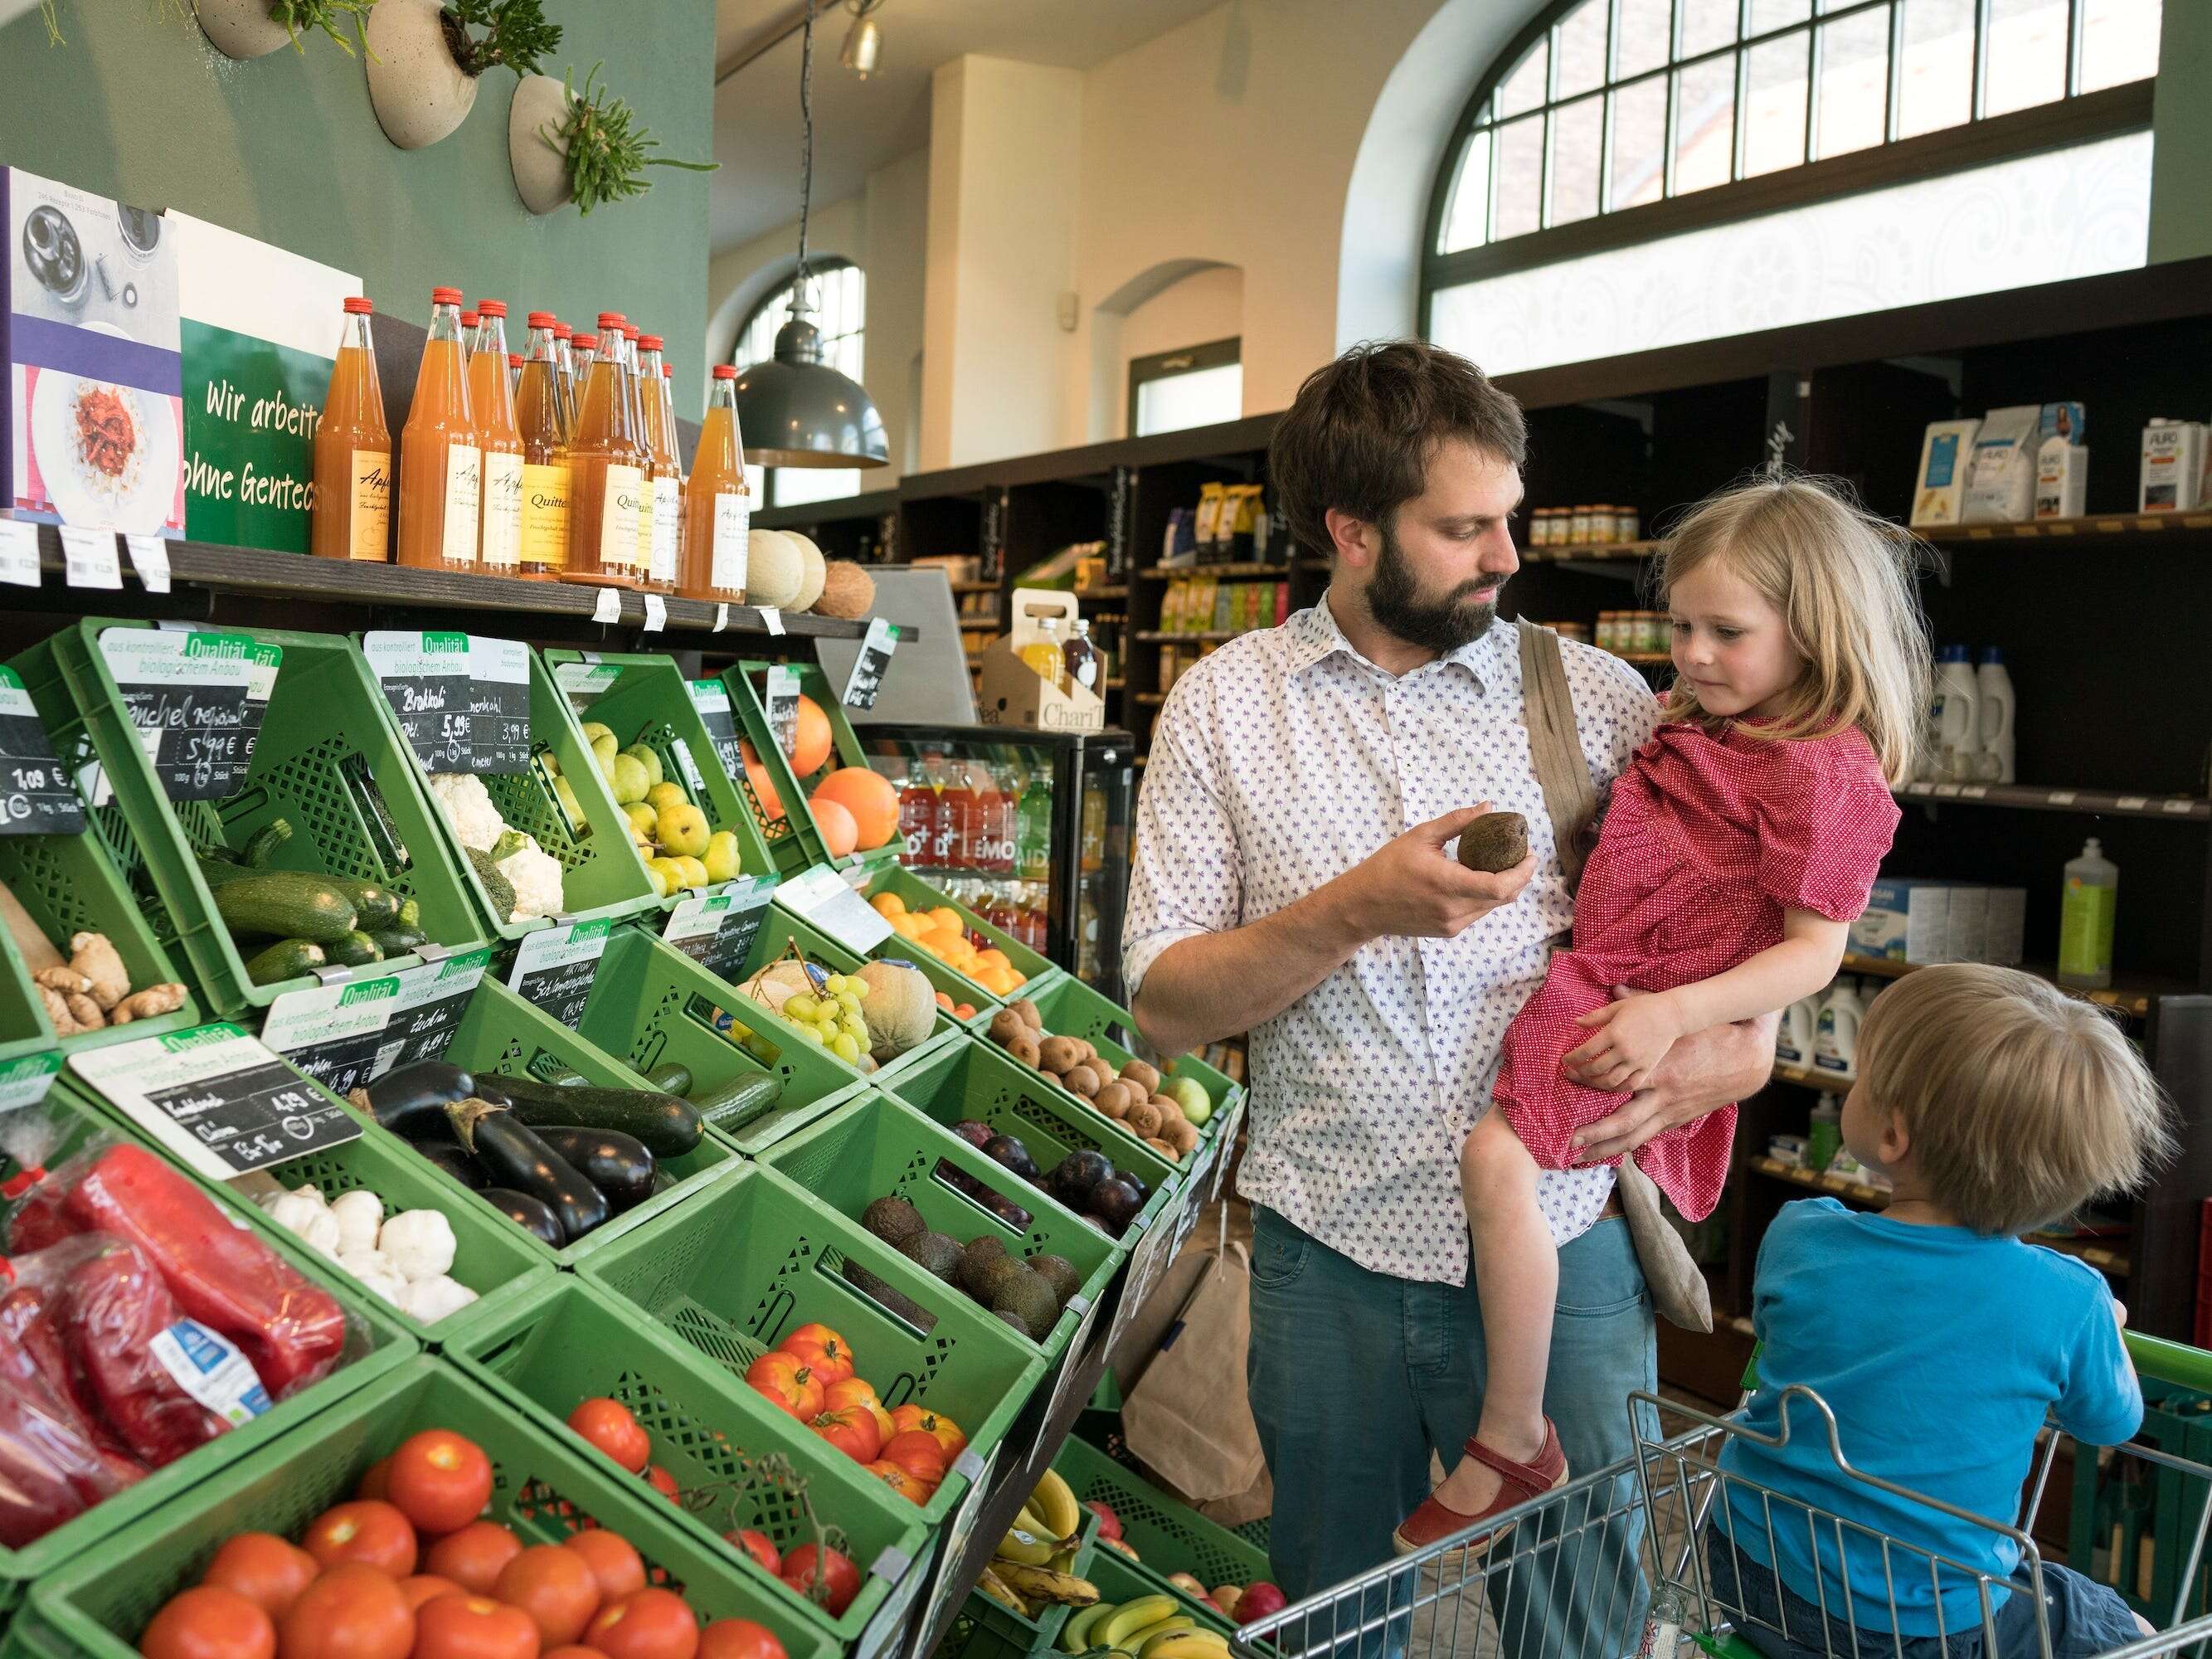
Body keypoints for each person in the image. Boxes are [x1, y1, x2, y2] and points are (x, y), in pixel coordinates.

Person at [1122, 339, 1777, 1649]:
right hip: (1321, 1257)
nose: (1503, 557)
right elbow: (1161, 1005)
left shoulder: (1593, 699)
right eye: (1462, 528)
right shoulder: (1222, 708)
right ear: (1348, 532)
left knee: (1584, 1619)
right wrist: (1350, 910)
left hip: (1566, 1237)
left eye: (1508, 520)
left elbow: (1730, 908)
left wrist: (1741, 1044)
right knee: (1329, 1616)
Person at [1398, 478, 1930, 1553]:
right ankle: (1511, 1430)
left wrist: (1665, 1017)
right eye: (1680, 625)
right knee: (1499, 1166)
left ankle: (1510, 1434)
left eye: (1724, 632)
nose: (1688, 654)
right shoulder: (1716, 724)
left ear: (1813, 631)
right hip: (1604, 984)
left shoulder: (1824, 772)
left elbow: (1812, 954)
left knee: (1494, 1163)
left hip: (1637, 1004)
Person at [1709, 963, 2172, 1659]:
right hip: (1921, 1625)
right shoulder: (2068, 1300)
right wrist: (2102, 1328)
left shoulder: (1799, 1235)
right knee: (2122, 1629)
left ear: (1891, 1135)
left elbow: (1795, 1339)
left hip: (1746, 1568)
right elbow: (2111, 1421)